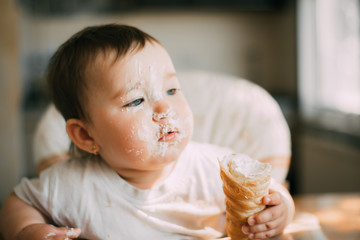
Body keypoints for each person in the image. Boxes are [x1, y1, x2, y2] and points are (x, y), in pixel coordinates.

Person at [0, 24, 294, 240]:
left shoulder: (213, 170)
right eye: (136, 100)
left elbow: (272, 193)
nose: (165, 106)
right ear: (86, 136)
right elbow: (18, 201)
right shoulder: (71, 185)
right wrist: (29, 230)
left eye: (172, 89)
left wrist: (281, 213)